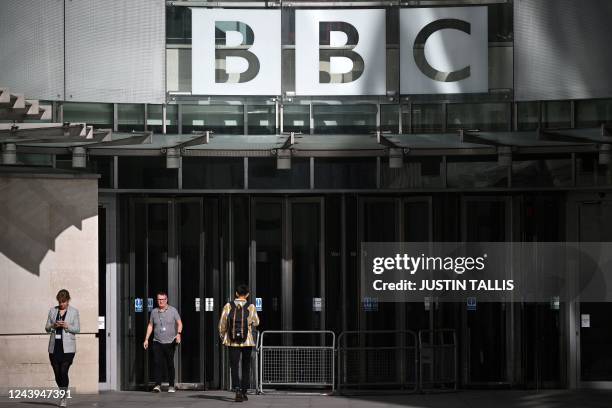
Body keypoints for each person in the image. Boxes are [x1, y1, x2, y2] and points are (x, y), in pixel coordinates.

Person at [218, 284, 260, 402]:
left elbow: (222, 323)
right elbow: (256, 322)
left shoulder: (228, 306)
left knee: (234, 366)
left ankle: (237, 389)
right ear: (247, 294)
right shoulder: (250, 306)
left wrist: (223, 336)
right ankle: (244, 391)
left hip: (232, 341)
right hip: (247, 341)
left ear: (236, 294)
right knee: (246, 366)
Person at [45, 289, 80, 408]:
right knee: (57, 374)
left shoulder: (74, 312)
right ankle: (62, 392)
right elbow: (46, 328)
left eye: (63, 302)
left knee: (63, 371)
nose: (61, 304)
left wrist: (67, 326)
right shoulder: (52, 311)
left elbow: (77, 329)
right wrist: (53, 326)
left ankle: (63, 397)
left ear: (68, 300)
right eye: (60, 302)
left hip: (68, 348)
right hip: (54, 347)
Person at [143, 291, 183, 393]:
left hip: (170, 342)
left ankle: (171, 385)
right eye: (159, 299)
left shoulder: (173, 311)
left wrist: (178, 334)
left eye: (162, 299)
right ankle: (157, 385)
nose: (160, 301)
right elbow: (151, 325)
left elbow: (179, 323)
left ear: (166, 300)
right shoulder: (154, 312)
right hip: (157, 341)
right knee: (157, 363)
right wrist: (146, 339)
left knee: (170, 364)